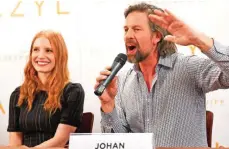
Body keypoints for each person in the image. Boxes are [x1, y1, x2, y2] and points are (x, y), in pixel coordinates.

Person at [95, 2, 229, 147]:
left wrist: (199, 40)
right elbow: (119, 144)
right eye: (126, 29)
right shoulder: (121, 81)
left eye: (136, 29)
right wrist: (108, 104)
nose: (128, 36)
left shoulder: (189, 68)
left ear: (157, 37)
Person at [7, 30, 85, 148]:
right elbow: (15, 143)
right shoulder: (18, 94)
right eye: (36, 50)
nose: (41, 56)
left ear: (60, 56)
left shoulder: (72, 92)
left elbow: (59, 141)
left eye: (48, 50)